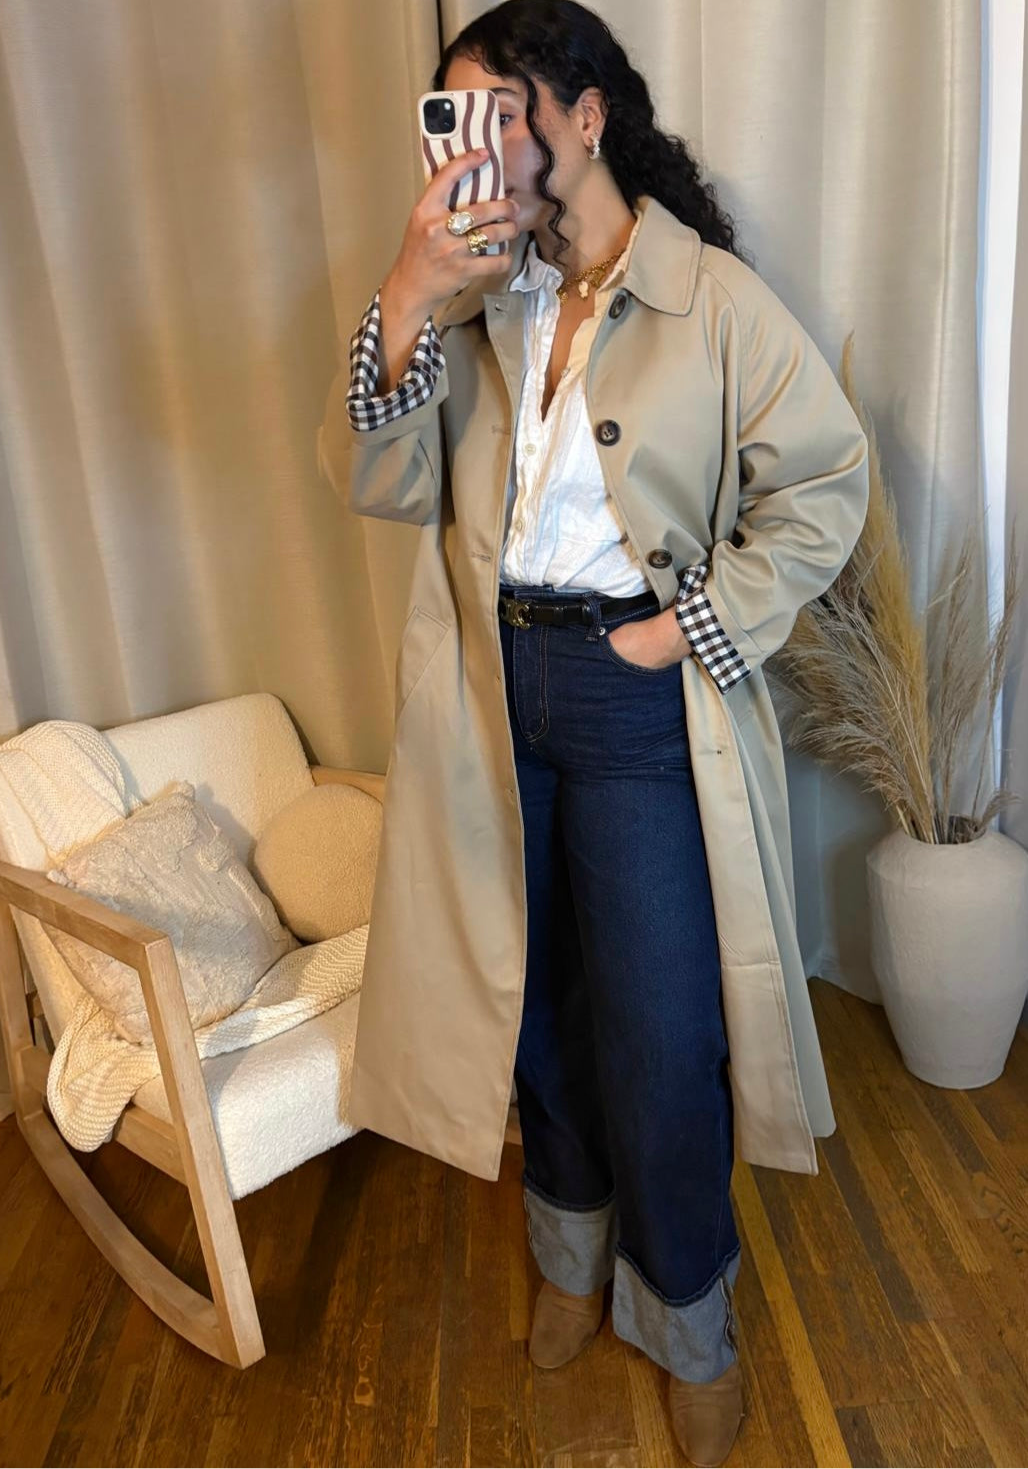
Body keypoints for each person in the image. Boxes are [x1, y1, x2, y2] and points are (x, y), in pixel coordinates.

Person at [317, 3, 869, 1464]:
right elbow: (380, 482)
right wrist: (408, 287)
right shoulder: (473, 296)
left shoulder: (709, 301)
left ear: (585, 115)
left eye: (502, 112)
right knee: (536, 1004)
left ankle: (687, 1317)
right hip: (488, 691)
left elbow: (824, 483)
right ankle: (570, 1261)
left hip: (633, 703)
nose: (478, 146)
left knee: (663, 1033)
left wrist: (680, 631)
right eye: (454, 120)